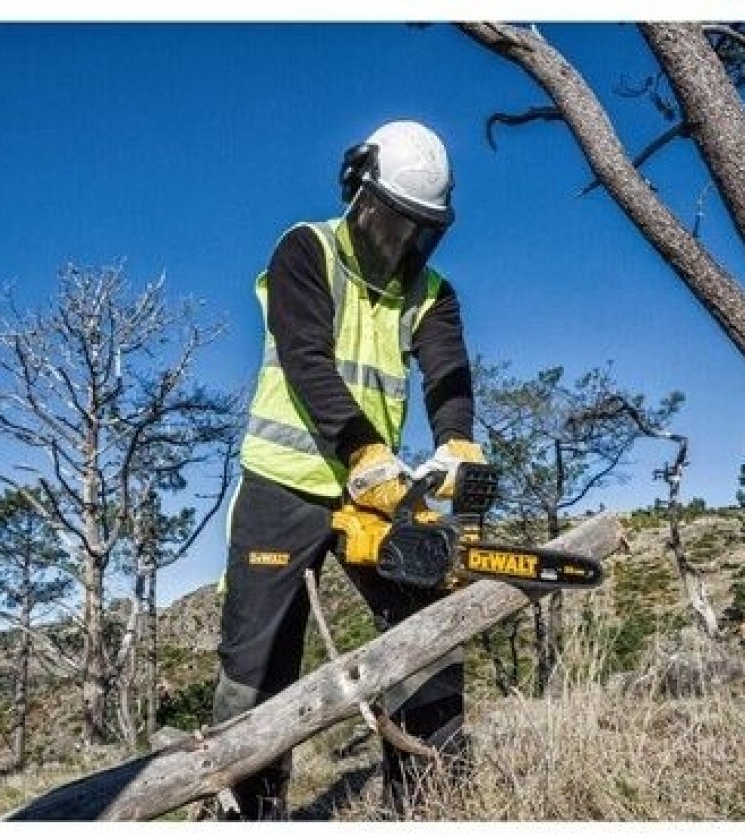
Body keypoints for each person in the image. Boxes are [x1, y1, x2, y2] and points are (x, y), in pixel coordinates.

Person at [210, 119, 487, 819]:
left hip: (382, 491)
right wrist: (361, 449)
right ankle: (246, 812)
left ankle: (427, 805)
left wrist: (457, 442)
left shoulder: (432, 291)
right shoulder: (308, 249)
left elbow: (449, 372)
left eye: (418, 228)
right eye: (392, 221)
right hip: (285, 484)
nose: (401, 241)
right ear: (359, 196)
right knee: (258, 667)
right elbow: (306, 358)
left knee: (427, 641)